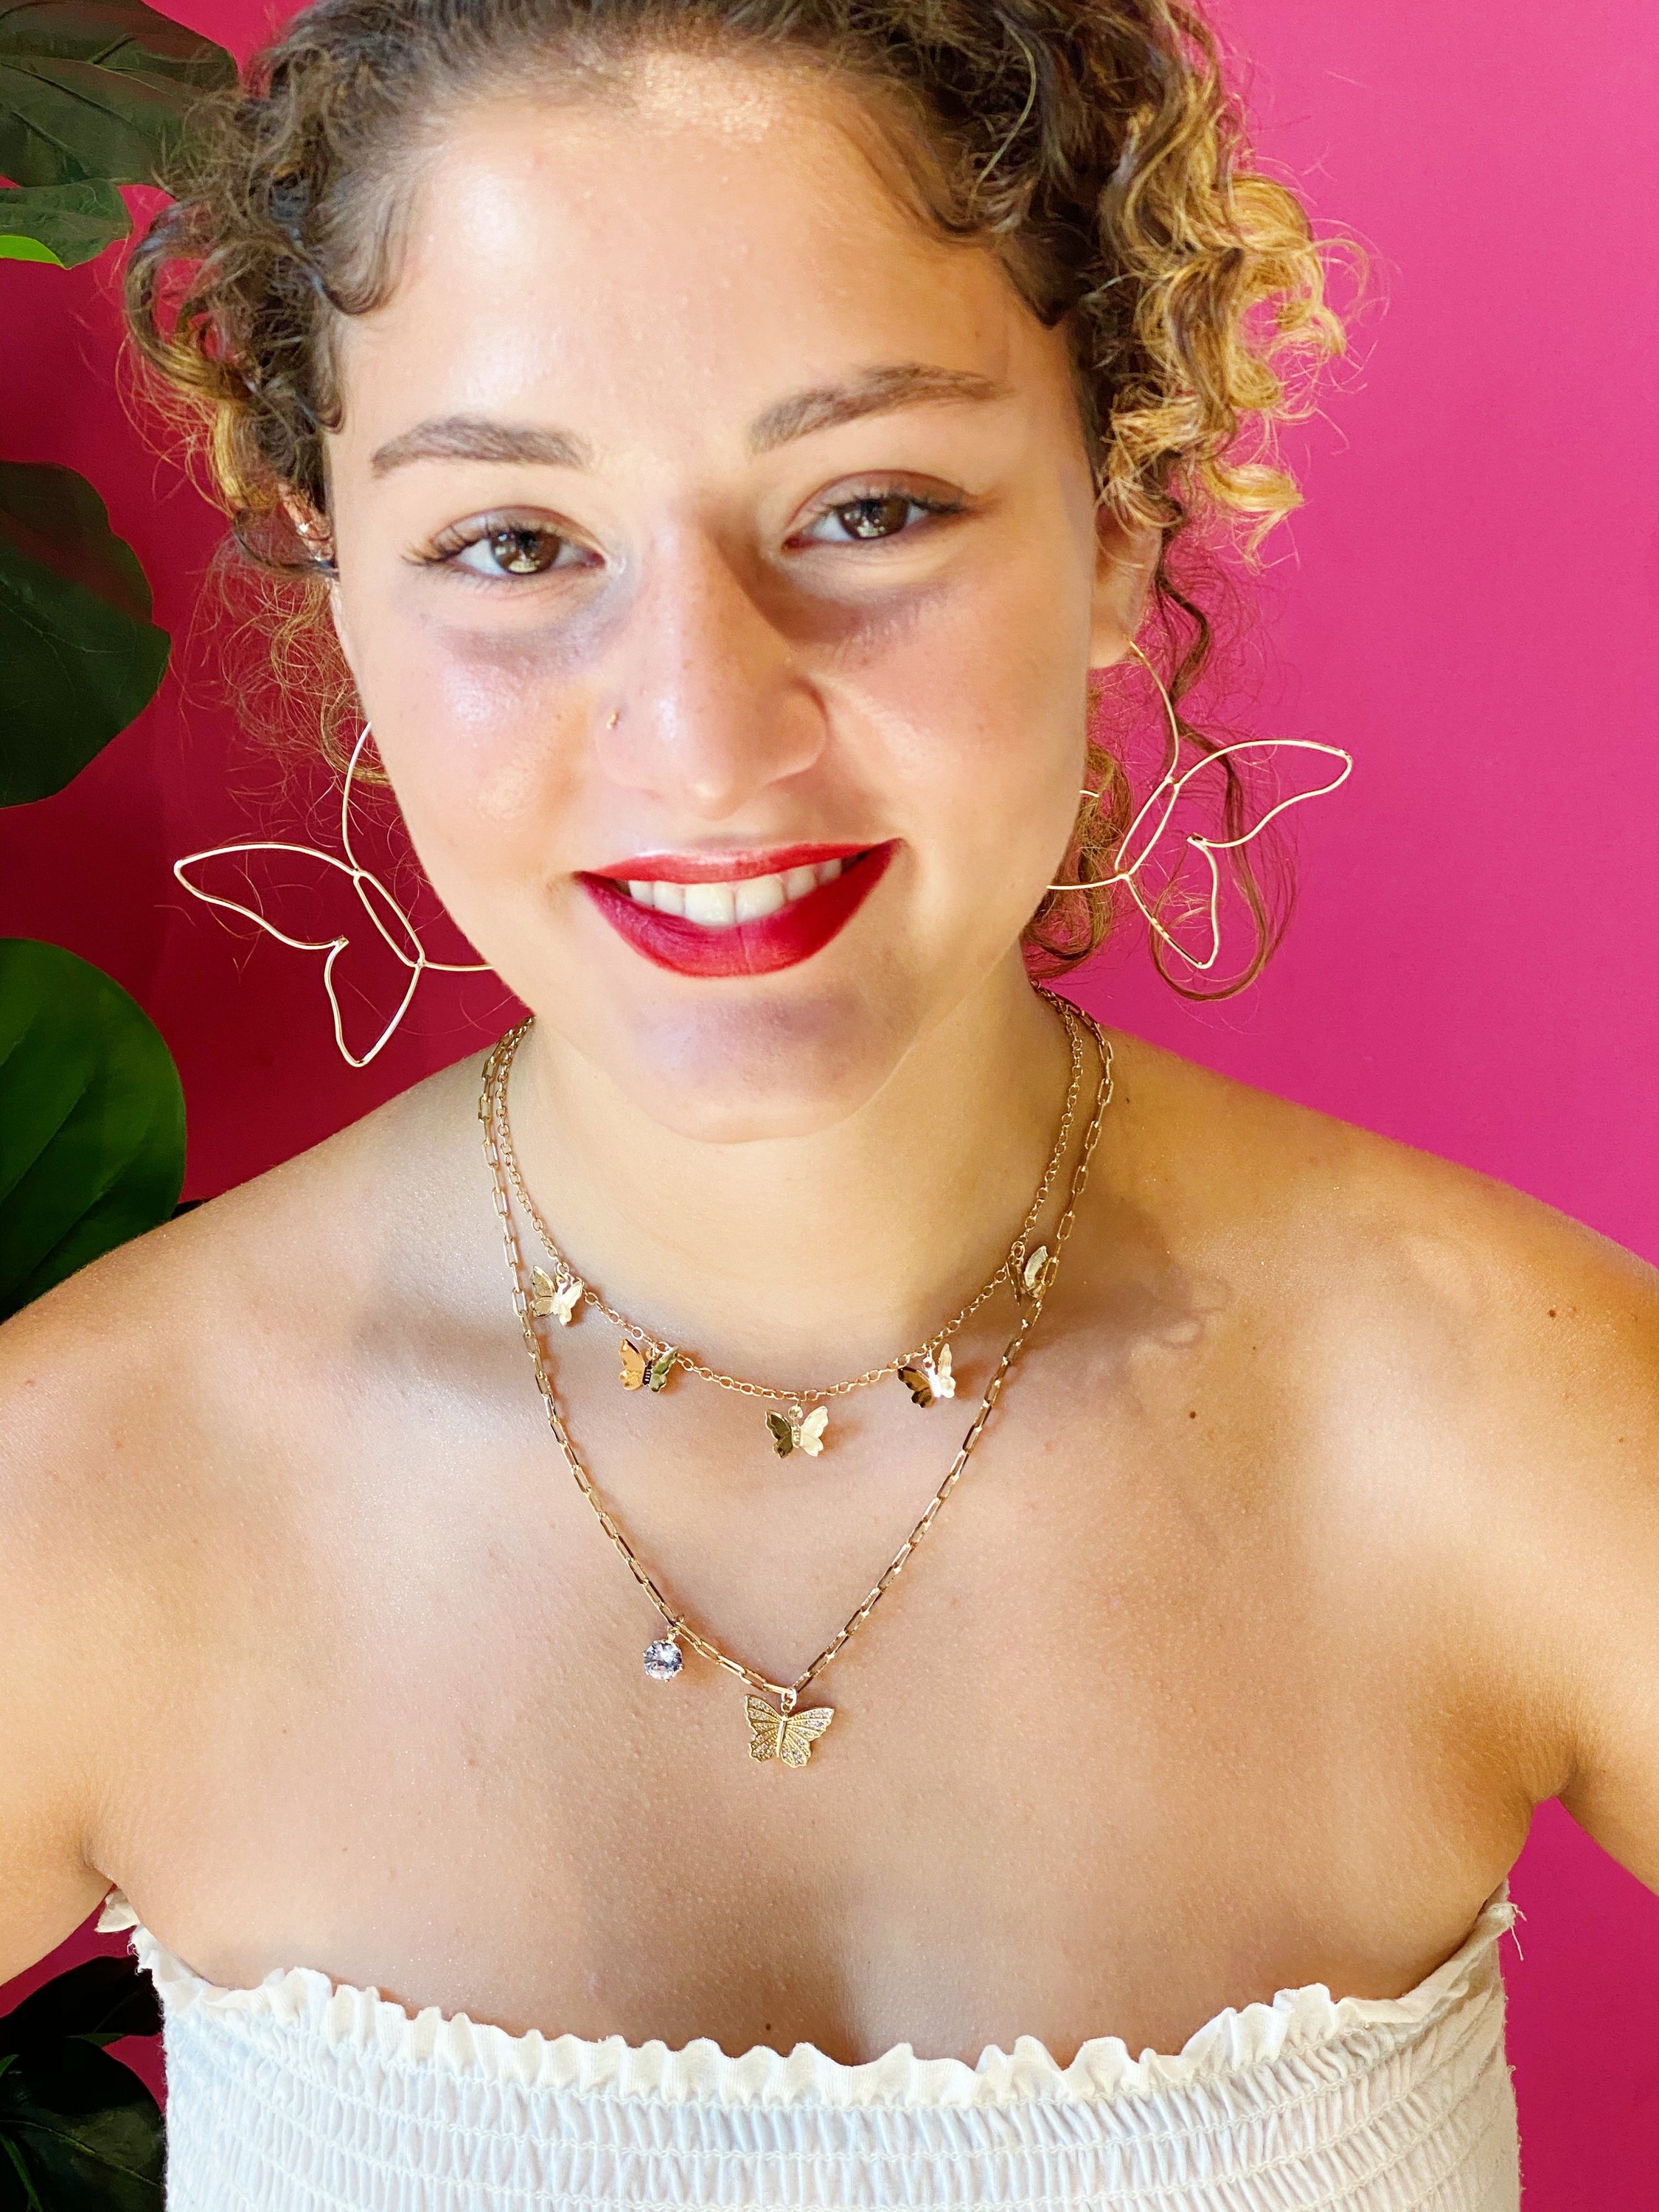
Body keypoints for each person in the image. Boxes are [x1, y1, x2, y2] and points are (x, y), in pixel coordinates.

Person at [1, 1, 1654, 2205]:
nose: (701, 735)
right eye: (511, 543)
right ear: (338, 576)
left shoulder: (1518, 1415)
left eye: (867, 509)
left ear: (1114, 512)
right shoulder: (80, 1492)